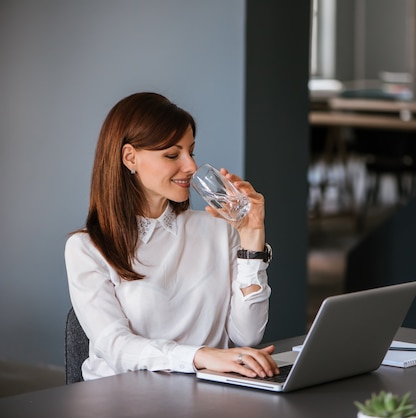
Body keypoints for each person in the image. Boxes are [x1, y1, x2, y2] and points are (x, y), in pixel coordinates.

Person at [65, 92, 278, 381]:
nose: (190, 166)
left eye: (191, 151)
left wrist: (252, 239)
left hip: (206, 397)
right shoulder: (86, 248)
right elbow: (116, 347)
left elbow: (247, 335)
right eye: (172, 154)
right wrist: (201, 356)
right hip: (121, 400)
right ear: (130, 158)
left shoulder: (219, 230)